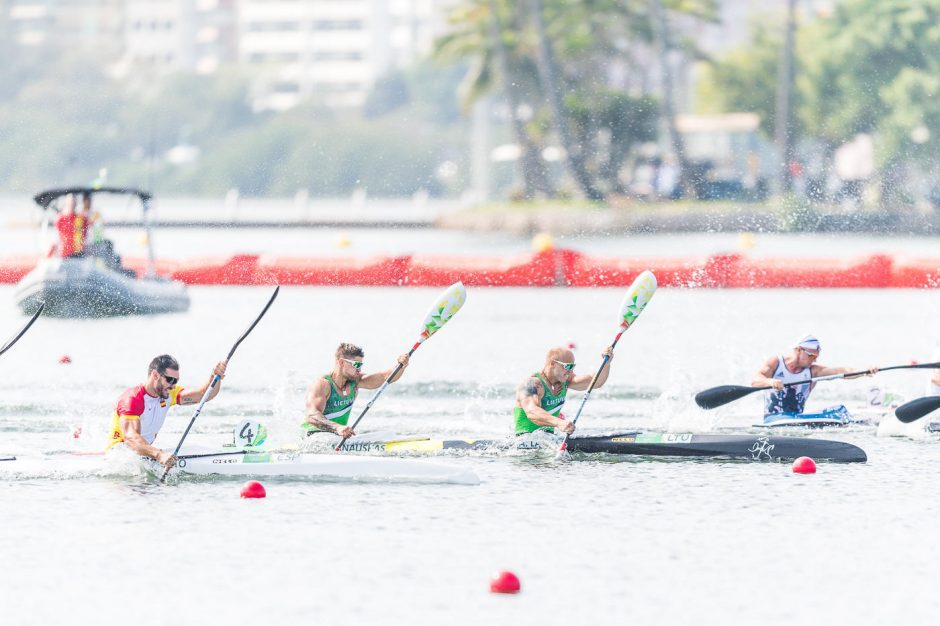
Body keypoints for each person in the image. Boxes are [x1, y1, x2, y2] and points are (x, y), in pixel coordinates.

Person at [108, 354, 228, 470]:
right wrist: (159, 455)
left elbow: (204, 395)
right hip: (121, 457)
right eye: (170, 379)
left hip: (146, 455)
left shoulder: (169, 393)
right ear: (155, 375)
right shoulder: (132, 399)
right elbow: (130, 439)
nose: (172, 385)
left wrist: (215, 377)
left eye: (175, 381)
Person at [752, 335, 877, 417]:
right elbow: (755, 380)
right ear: (798, 350)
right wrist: (770, 382)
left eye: (816, 357)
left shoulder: (814, 371)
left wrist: (864, 371)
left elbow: (841, 371)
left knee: (840, 412)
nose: (814, 360)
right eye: (811, 356)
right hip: (772, 419)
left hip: (796, 419)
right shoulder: (776, 363)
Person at [303, 343, 410, 437]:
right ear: (341, 362)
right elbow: (312, 417)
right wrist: (337, 428)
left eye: (361, 365)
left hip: (337, 437)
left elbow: (386, 377)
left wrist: (401, 366)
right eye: (356, 365)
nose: (359, 369)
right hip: (313, 437)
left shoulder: (355, 382)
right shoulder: (322, 384)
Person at [513, 345, 614, 436]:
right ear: (553, 364)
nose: (571, 371)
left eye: (573, 366)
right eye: (568, 366)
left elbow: (596, 382)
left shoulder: (565, 380)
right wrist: (559, 422)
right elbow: (532, 412)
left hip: (548, 439)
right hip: (524, 440)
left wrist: (606, 364)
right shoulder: (532, 384)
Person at [54, 193, 89, 258]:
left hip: (79, 252)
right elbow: (56, 237)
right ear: (66, 203)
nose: (72, 204)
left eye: (73, 202)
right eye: (70, 202)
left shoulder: (81, 218)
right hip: (65, 253)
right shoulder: (60, 219)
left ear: (76, 204)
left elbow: (86, 234)